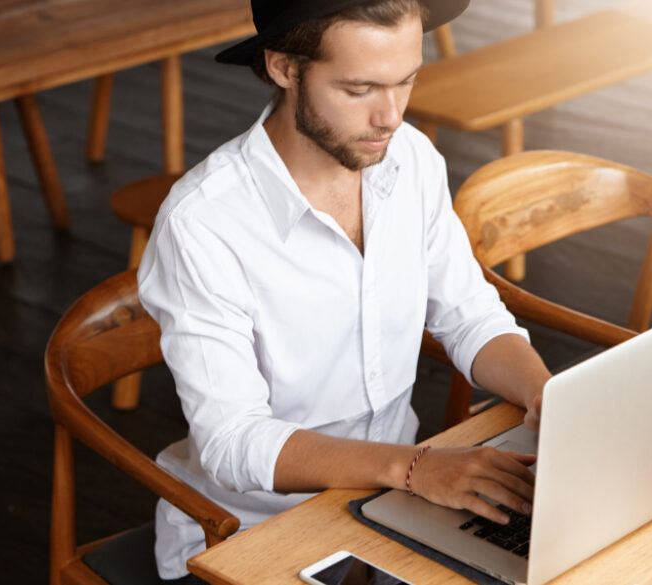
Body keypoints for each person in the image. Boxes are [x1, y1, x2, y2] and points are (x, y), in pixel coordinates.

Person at [136, 0, 552, 580]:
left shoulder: (411, 161)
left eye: (405, 81)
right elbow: (232, 443)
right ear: (284, 68)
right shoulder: (203, 222)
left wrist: (549, 398)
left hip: (394, 501)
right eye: (359, 90)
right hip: (250, 532)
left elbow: (469, 317)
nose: (390, 116)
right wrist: (414, 468)